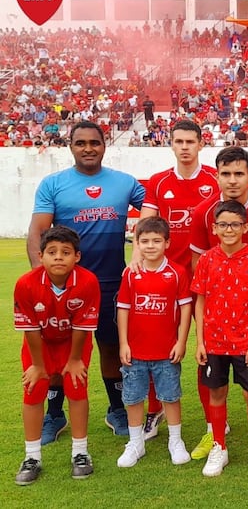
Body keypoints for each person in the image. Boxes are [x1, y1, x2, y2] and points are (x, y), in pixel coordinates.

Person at [28, 121, 145, 440]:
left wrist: (141, 247)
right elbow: (37, 231)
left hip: (110, 284)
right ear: (71, 146)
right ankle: (55, 415)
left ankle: (117, 410)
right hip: (66, 286)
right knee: (59, 351)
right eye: (81, 143)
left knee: (110, 348)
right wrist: (44, 279)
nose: (88, 148)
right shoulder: (53, 184)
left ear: (105, 145)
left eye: (94, 142)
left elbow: (154, 208)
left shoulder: (125, 184)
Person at [188, 146, 248, 462]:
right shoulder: (204, 212)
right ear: (216, 176)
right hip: (218, 318)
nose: (232, 180)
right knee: (210, 373)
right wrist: (201, 329)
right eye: (226, 174)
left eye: (239, 173)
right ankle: (215, 434)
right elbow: (197, 263)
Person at [134, 119, 218, 440]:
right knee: (160, 349)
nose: (184, 147)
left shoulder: (214, 179)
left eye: (190, 141)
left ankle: (214, 419)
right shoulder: (158, 182)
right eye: (178, 141)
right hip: (169, 280)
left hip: (208, 280)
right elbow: (145, 228)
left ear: (200, 144)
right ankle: (154, 413)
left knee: (207, 349)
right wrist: (136, 268)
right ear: (170, 144)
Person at [15, 226, 100, 485]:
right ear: (40, 256)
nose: (59, 257)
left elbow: (82, 327)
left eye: (66, 252)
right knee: (33, 389)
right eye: (52, 252)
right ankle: (32, 457)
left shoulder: (87, 281)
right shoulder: (26, 284)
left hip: (73, 343)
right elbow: (29, 328)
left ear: (77, 256)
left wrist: (74, 360)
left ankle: (80, 452)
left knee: (76, 387)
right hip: (39, 344)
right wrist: (39, 366)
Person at [116, 217, 192, 468]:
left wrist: (181, 342)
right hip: (135, 351)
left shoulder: (176, 273)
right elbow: (124, 309)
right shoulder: (130, 274)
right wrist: (124, 343)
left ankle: (175, 440)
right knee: (133, 396)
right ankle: (136, 442)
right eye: (145, 241)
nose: (150, 246)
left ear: (167, 243)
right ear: (136, 243)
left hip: (165, 351)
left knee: (170, 396)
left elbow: (184, 310)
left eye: (156, 241)